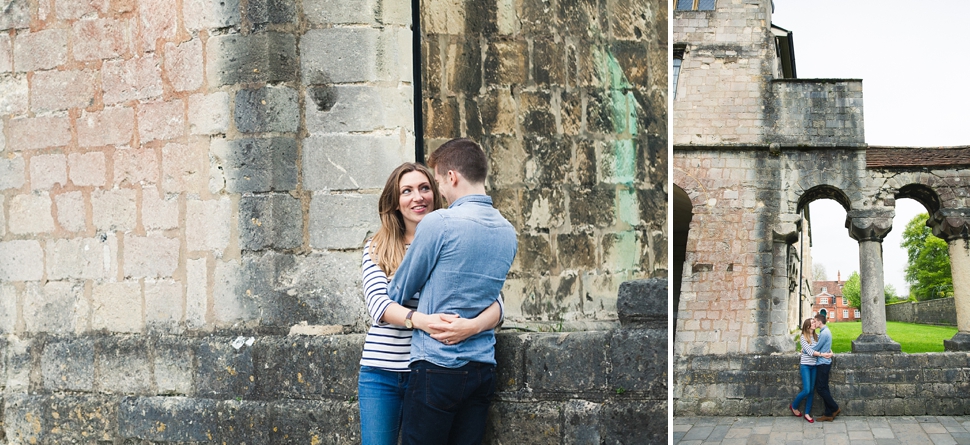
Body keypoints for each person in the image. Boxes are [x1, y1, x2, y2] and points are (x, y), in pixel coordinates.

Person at [358, 162, 505, 445]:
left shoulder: (454, 236)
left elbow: (495, 300)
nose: (418, 197)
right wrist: (424, 321)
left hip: (435, 371)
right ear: (395, 201)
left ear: (435, 193)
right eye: (407, 191)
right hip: (383, 374)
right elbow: (379, 305)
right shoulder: (377, 246)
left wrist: (472, 326)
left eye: (424, 188)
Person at [387, 138, 518, 445]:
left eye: (437, 183)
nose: (440, 193)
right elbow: (493, 297)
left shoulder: (439, 223)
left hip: (437, 367)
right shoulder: (507, 231)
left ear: (452, 177)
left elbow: (398, 291)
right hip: (482, 369)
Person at [789, 318, 830, 423]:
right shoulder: (803, 337)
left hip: (814, 366)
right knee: (806, 390)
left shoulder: (818, 336)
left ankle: (807, 413)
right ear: (807, 326)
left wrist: (831, 352)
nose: (815, 323)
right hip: (806, 366)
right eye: (812, 322)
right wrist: (821, 354)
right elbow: (811, 352)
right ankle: (794, 406)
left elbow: (826, 345)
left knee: (812, 391)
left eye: (814, 322)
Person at [814, 313, 841, 421]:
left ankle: (835, 408)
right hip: (825, 362)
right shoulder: (825, 331)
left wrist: (804, 349)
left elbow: (816, 348)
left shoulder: (824, 333)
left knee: (820, 388)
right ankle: (828, 414)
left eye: (815, 321)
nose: (814, 323)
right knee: (824, 387)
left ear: (820, 322)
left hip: (823, 363)